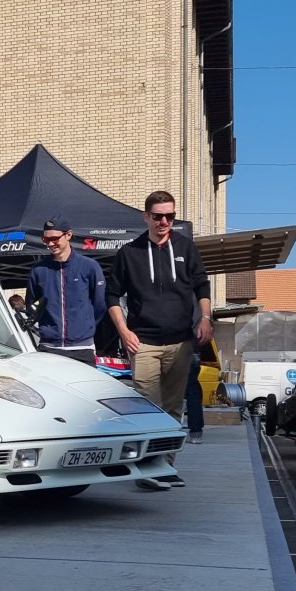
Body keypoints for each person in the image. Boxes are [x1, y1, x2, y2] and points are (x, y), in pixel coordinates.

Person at [105, 190, 211, 491]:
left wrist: (205, 318)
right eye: (158, 216)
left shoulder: (186, 247)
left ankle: (165, 467)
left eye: (170, 216)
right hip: (144, 343)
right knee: (148, 406)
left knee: (174, 407)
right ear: (146, 217)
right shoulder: (130, 252)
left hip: (181, 342)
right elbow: (112, 295)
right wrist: (124, 330)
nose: (164, 221)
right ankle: (148, 466)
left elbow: (202, 285)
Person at [24, 216, 105, 364]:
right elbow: (31, 305)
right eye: (46, 239)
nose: (50, 243)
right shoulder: (38, 270)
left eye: (54, 239)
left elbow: (100, 305)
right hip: (49, 347)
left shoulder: (90, 266)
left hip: (82, 347)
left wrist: (84, 327)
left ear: (68, 235)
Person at [184, 347, 204, 444]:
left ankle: (169, 429)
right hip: (192, 352)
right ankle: (196, 433)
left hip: (171, 350)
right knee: (193, 392)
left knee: (170, 392)